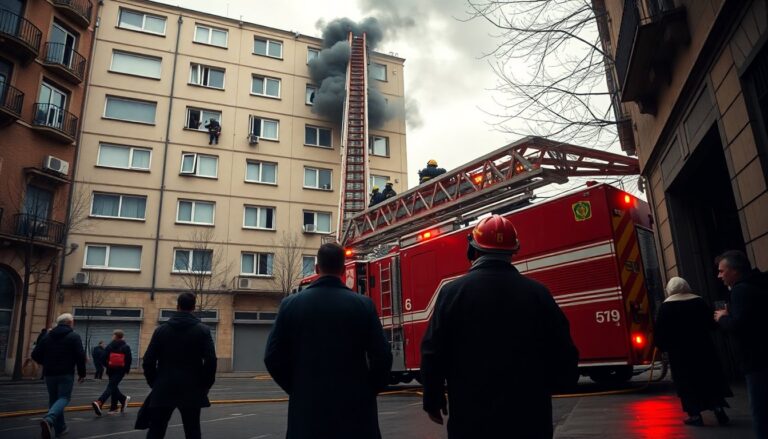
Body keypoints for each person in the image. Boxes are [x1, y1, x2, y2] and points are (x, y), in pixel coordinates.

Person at [421, 215, 578, 439]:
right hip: (529, 418)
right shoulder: (538, 293)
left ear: (472, 250)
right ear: (513, 251)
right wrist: (553, 387)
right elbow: (564, 349)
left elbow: (432, 352)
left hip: (471, 418)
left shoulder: (452, 293)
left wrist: (433, 400)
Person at [265, 243, 392, 439]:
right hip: (355, 415)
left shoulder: (290, 305)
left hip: (307, 415)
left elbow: (272, 357)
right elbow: (382, 356)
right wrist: (367, 391)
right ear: (343, 270)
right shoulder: (364, 305)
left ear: (317, 268)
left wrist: (297, 388)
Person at [654, 277, 732, 426]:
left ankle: (695, 415)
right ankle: (718, 409)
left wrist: (663, 347)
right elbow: (712, 324)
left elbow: (660, 332)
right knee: (709, 379)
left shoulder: (666, 307)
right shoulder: (699, 301)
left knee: (687, 383)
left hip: (680, 354)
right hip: (703, 349)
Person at [142, 292, 217, 439]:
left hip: (164, 386)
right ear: (193, 307)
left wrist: (155, 383)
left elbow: (148, 361)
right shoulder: (203, 331)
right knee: (192, 430)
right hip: (192, 387)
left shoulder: (161, 330)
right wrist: (205, 385)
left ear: (177, 306)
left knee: (156, 430)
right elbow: (211, 361)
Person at [714, 250, 768, 439]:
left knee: (761, 412)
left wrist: (723, 318)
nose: (719, 275)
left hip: (755, 360)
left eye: (722, 271)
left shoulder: (740, 290)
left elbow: (739, 326)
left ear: (734, 271)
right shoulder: (758, 284)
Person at [32, 313, 87, 439]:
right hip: (65, 373)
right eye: (73, 321)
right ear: (69, 322)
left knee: (53, 399)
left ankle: (60, 428)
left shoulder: (47, 336)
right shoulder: (74, 336)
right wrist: (82, 373)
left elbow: (35, 354)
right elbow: (80, 356)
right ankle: (49, 419)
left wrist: (45, 363)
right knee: (63, 398)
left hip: (49, 374)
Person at [92, 331, 132, 416]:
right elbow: (129, 360)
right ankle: (119, 403)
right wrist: (126, 370)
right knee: (112, 386)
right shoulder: (126, 347)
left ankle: (100, 402)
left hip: (111, 370)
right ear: (122, 337)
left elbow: (102, 358)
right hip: (120, 371)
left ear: (115, 336)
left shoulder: (109, 346)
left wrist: (108, 365)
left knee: (111, 386)